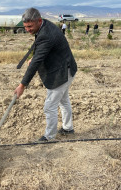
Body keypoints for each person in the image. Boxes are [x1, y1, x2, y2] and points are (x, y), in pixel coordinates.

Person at [14, 8, 77, 142]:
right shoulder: (44, 26)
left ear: (39, 21)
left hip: (62, 72)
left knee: (49, 106)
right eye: (25, 27)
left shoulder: (46, 34)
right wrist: (35, 56)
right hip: (66, 67)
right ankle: (68, 128)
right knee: (64, 101)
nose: (27, 30)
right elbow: (42, 50)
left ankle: (49, 137)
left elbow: (36, 62)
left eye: (30, 26)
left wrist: (22, 85)